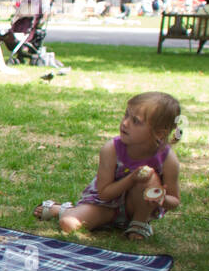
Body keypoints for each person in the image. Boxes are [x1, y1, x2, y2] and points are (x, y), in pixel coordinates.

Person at [38, 92, 182, 241]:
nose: (125, 123)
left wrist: (161, 198)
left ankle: (139, 223)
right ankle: (63, 210)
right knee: (68, 223)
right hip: (105, 206)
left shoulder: (167, 159)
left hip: (135, 208)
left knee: (149, 177)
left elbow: (175, 201)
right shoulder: (111, 149)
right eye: (126, 115)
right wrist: (131, 179)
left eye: (135, 121)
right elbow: (104, 194)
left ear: (159, 133)